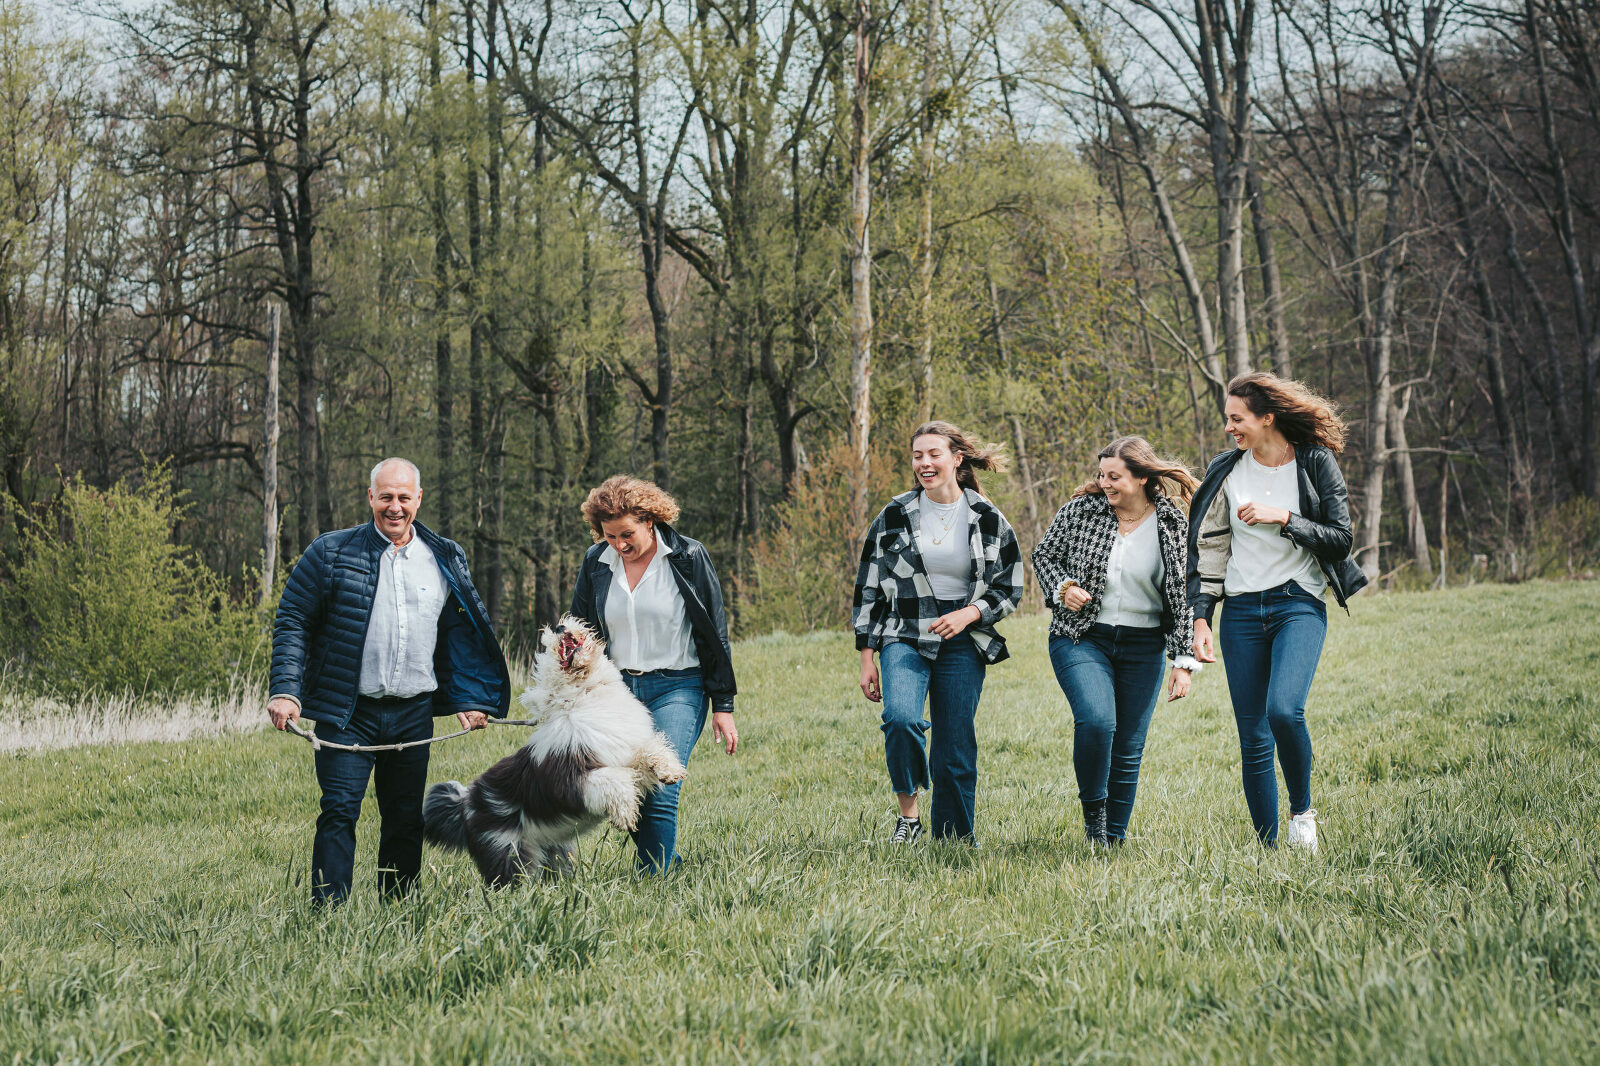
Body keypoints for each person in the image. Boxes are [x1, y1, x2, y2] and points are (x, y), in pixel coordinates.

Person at [267, 458, 510, 904]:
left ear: (418, 499)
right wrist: (286, 690)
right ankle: (328, 914)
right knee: (339, 810)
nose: (394, 507)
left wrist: (470, 698)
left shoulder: (445, 557)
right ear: (370, 498)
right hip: (348, 712)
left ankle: (397, 912)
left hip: (412, 713)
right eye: (386, 497)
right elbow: (293, 620)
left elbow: (460, 635)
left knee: (403, 818)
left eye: (403, 497)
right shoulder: (331, 552)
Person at [1187, 373, 1367, 853]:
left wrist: (1284, 518)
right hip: (1242, 611)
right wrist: (1201, 617)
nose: (1229, 427)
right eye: (1228, 419)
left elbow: (1342, 537)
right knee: (1252, 736)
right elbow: (1209, 549)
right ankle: (1267, 851)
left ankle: (1302, 813)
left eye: (1237, 418)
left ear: (1267, 418)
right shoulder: (1226, 470)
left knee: (1284, 710)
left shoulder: (1313, 462)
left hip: (1297, 602)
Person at [852, 421, 1025, 845]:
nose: (925, 463)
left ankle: (955, 836)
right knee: (901, 719)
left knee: (954, 741)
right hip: (904, 631)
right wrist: (866, 655)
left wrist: (970, 614)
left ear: (956, 459)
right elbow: (868, 586)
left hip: (963, 637)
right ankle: (908, 819)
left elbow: (1011, 587)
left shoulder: (987, 517)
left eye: (934, 454)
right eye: (917, 456)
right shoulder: (894, 515)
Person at [1032, 437, 1202, 848]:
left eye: (1115, 477)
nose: (1104, 484)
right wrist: (1063, 588)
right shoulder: (1081, 511)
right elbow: (1044, 556)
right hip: (1082, 637)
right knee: (1097, 721)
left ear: (1142, 477)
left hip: (1143, 647)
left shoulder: (1171, 522)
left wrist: (1183, 660)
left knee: (1128, 745)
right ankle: (1095, 819)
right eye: (1101, 475)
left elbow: (1183, 592)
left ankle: (1114, 839)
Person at [568, 475, 739, 874]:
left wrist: (723, 704)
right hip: (617, 692)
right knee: (628, 787)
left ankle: (653, 881)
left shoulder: (687, 556)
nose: (619, 545)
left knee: (660, 783)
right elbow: (580, 628)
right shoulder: (596, 562)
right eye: (609, 536)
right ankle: (667, 865)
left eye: (626, 534)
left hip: (679, 686)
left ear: (650, 520)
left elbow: (714, 633)